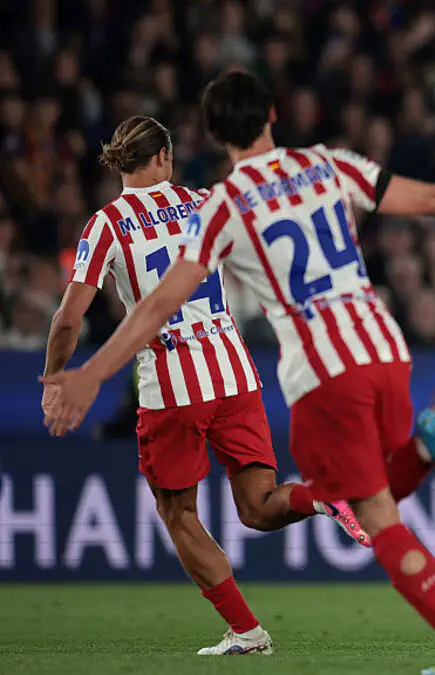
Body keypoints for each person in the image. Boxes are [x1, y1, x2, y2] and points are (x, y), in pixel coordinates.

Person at [42, 70, 435, 673]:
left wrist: (87, 374)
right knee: (298, 503)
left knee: (322, 511)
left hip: (297, 371)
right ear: (272, 115)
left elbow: (152, 306)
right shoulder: (324, 165)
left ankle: (433, 621)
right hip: (376, 345)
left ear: (215, 134)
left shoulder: (220, 206)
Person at [41, 115, 370, 656]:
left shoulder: (106, 224)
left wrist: (56, 378)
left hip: (173, 385)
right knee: (258, 506)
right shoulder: (202, 203)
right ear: (163, 157)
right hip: (235, 372)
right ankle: (321, 496)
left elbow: (67, 319)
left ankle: (247, 632)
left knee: (179, 514)